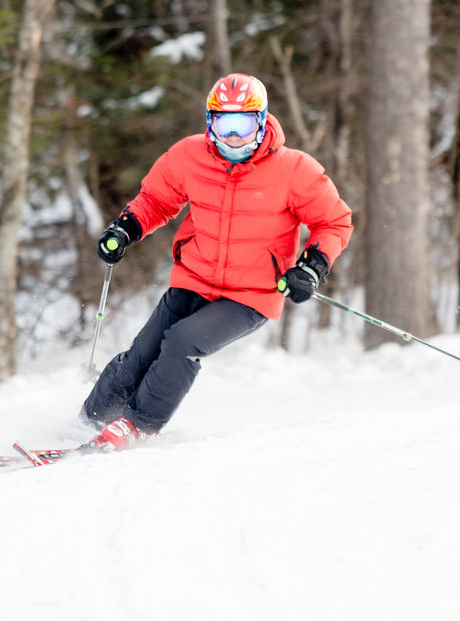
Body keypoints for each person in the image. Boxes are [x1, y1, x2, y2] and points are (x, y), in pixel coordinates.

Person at [80, 72, 353, 450]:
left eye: (243, 125)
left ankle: (137, 424)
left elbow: (333, 221)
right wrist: (125, 229)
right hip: (194, 278)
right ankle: (91, 421)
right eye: (225, 124)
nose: (234, 137)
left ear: (261, 121)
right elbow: (156, 200)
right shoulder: (189, 155)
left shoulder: (294, 169)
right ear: (211, 123)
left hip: (251, 295)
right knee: (143, 352)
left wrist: (311, 266)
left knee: (182, 342)